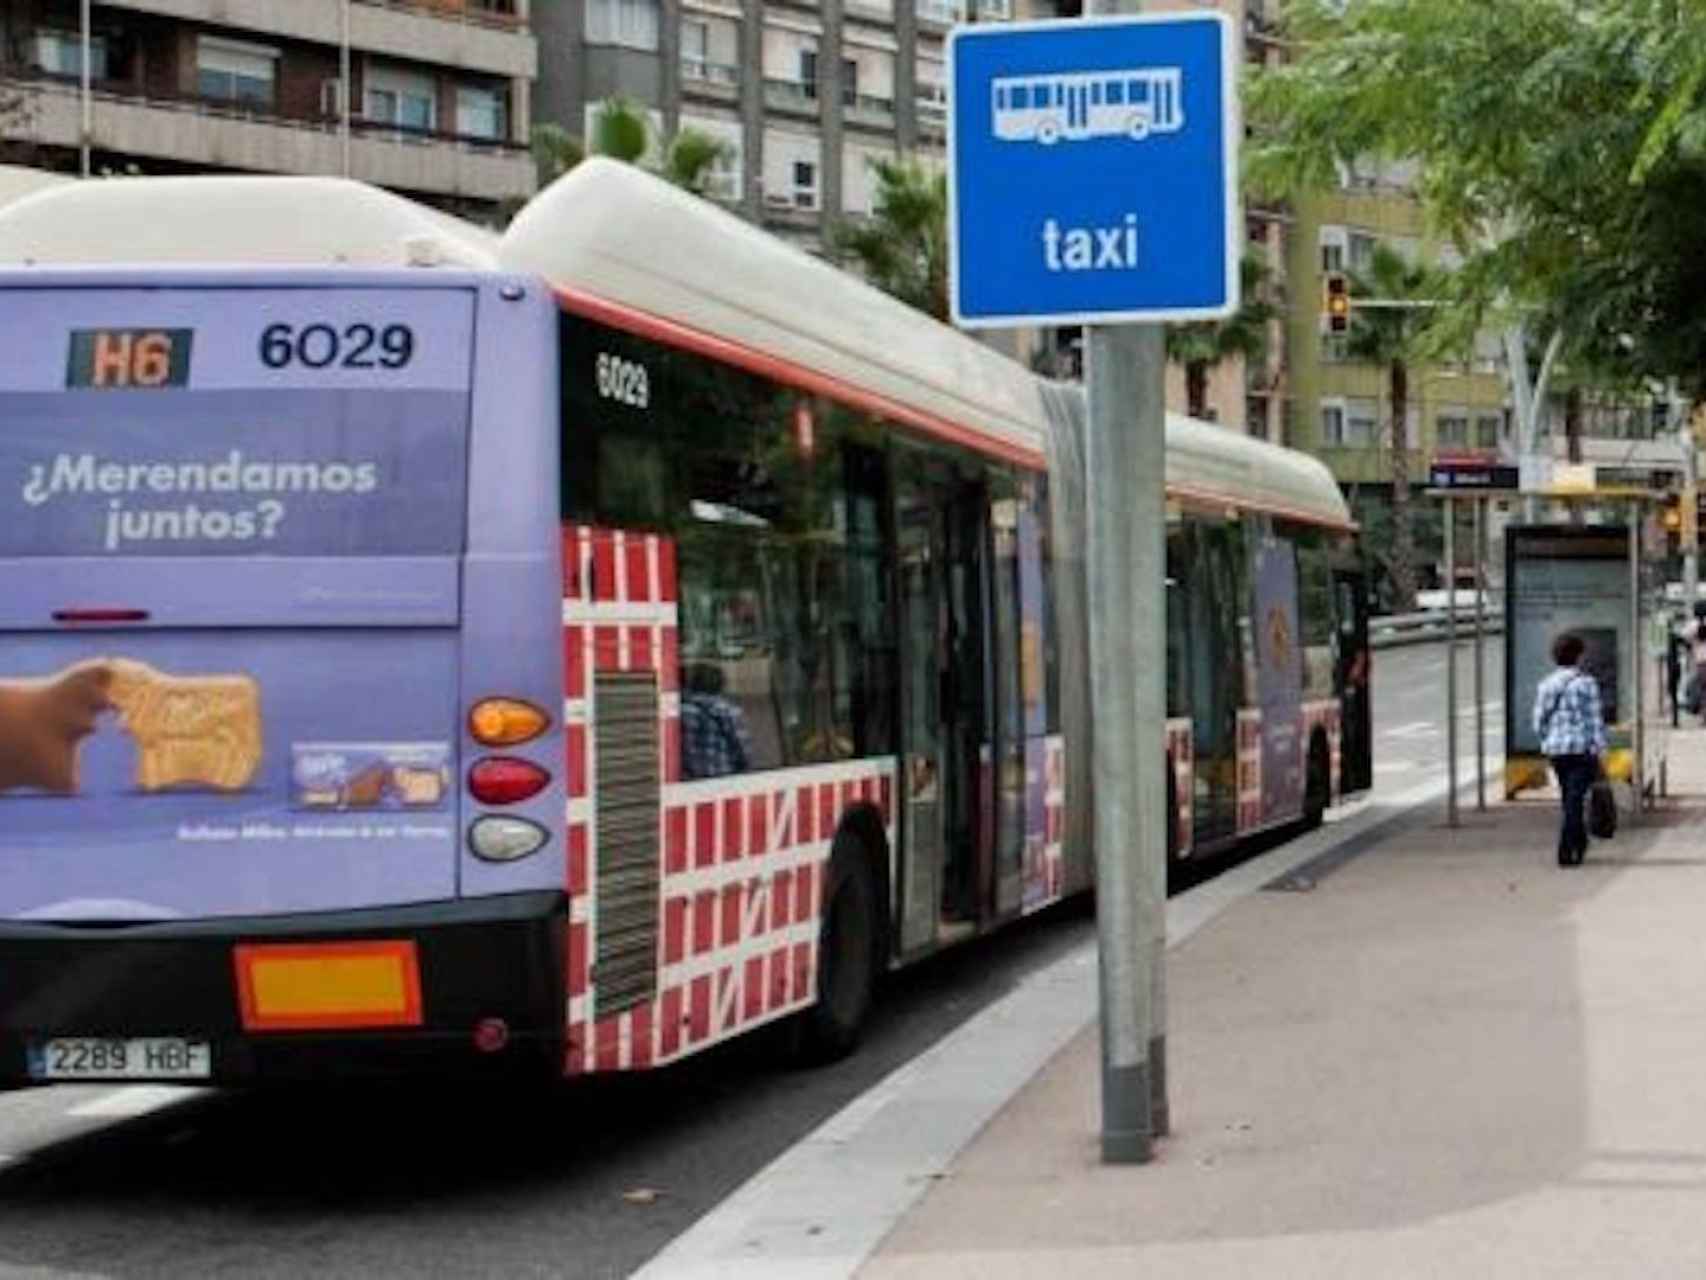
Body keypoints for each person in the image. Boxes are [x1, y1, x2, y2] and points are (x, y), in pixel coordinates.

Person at [1532, 632, 1608, 867]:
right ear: (1579, 656)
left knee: (1569, 798)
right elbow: (1595, 719)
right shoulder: (1587, 684)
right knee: (1575, 800)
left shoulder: (1546, 684)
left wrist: (1546, 741)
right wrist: (1600, 748)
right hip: (1581, 749)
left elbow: (1539, 719)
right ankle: (1566, 849)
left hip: (1556, 750)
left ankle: (1579, 842)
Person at [680, 662, 753, 780]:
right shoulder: (729, 711)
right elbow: (743, 750)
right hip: (722, 778)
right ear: (720, 684)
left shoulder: (681, 711)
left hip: (690, 780)